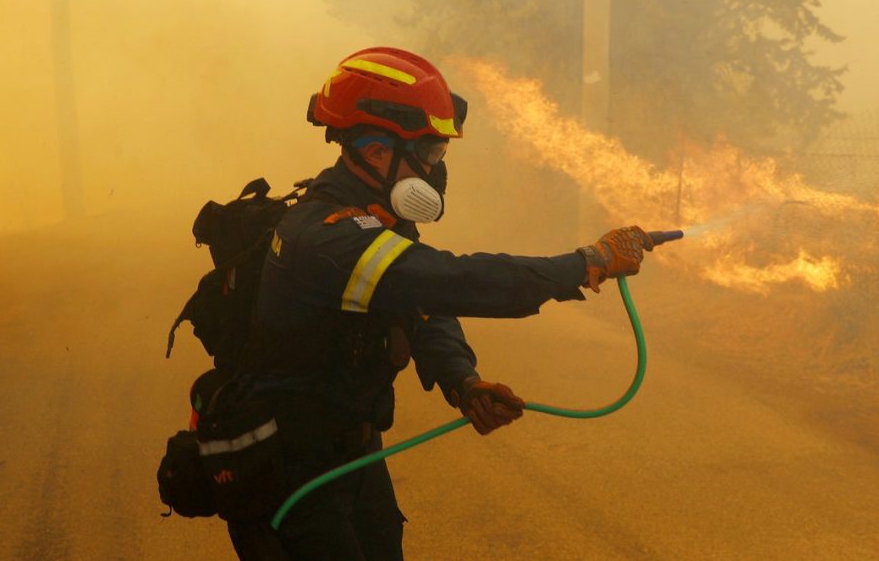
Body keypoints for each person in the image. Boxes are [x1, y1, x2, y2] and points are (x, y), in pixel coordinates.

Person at [229, 47, 655, 559]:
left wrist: (461, 380)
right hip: (296, 472)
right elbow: (453, 280)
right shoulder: (329, 238)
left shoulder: (373, 214)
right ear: (375, 151)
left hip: (352, 455)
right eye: (429, 153)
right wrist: (585, 262)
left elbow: (420, 302)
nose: (435, 169)